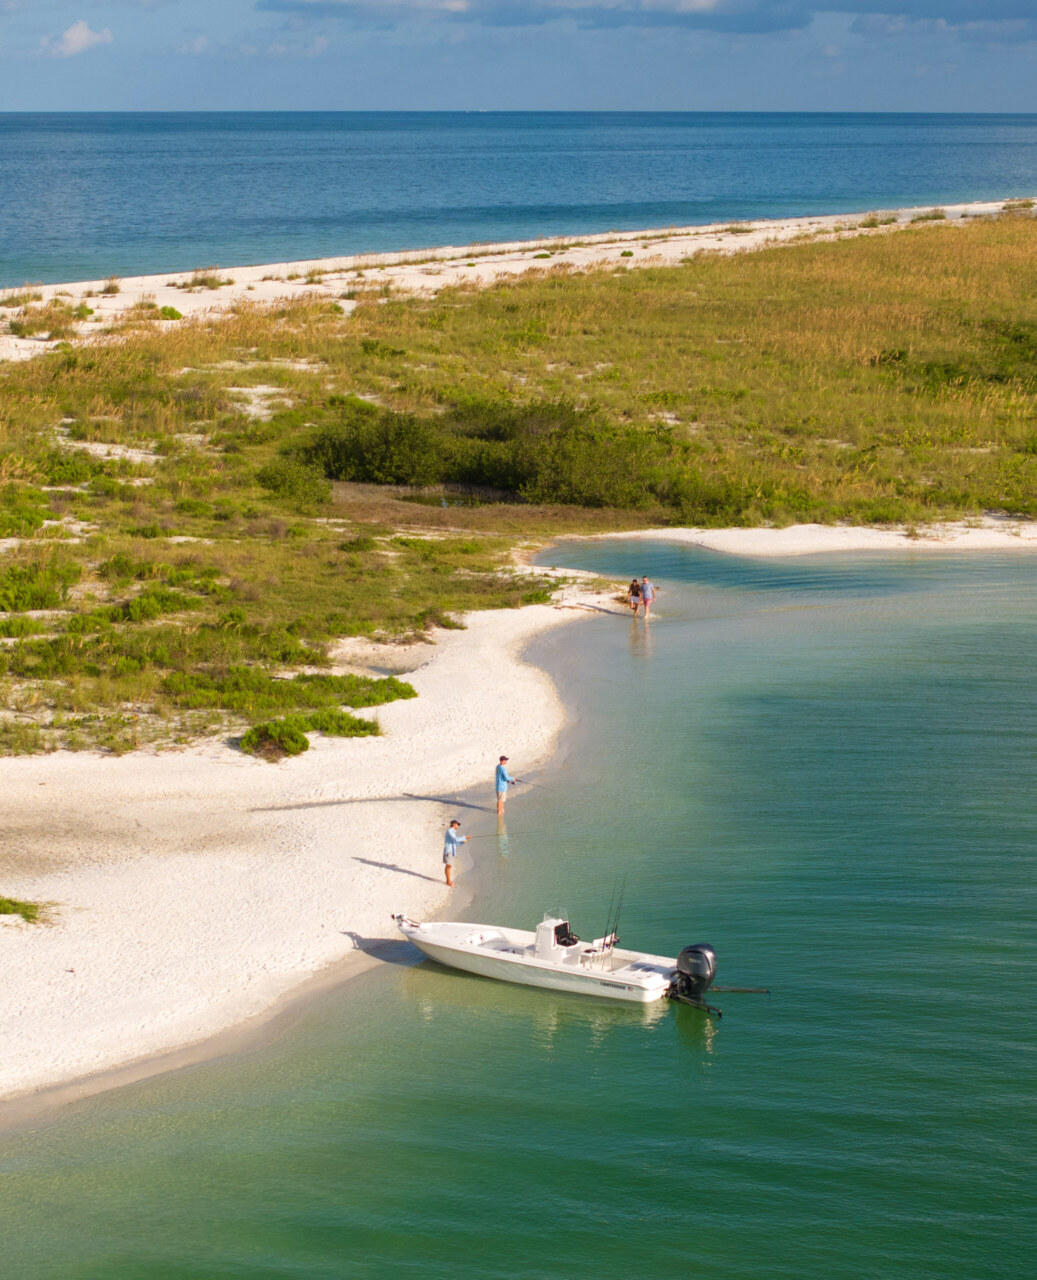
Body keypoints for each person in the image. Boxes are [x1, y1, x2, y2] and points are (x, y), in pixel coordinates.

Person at [443, 819, 468, 887]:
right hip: (449, 851)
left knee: (449, 866)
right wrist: (465, 837)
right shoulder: (450, 831)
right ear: (454, 825)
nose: (458, 826)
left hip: (452, 851)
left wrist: (462, 842)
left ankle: (448, 880)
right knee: (448, 866)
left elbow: (455, 842)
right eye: (458, 824)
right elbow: (456, 839)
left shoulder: (453, 832)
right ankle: (448, 881)